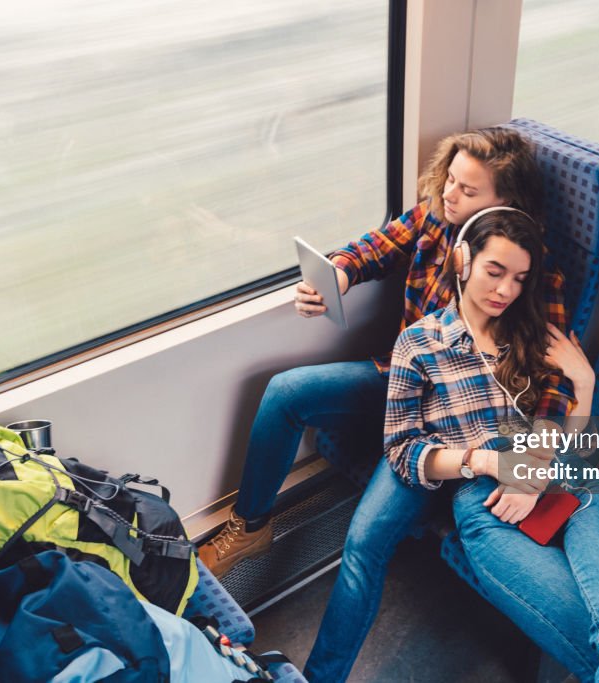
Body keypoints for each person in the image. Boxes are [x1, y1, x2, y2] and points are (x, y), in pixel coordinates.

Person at [304, 209, 599, 682]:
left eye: (519, 279)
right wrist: (491, 460)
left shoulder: (535, 333)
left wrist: (585, 382)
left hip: (569, 477)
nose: (505, 291)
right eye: (494, 271)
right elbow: (402, 450)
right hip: (485, 500)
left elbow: (570, 435)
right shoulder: (418, 345)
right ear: (463, 261)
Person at [198, 126, 569, 574]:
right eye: (450, 178)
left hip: (452, 418)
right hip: (399, 377)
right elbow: (375, 247)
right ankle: (251, 528)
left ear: (503, 207)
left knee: (366, 538)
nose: (450, 194)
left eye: (467, 190)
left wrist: (534, 462)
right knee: (285, 393)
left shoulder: (528, 276)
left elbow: (553, 379)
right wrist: (339, 273)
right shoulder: (437, 217)